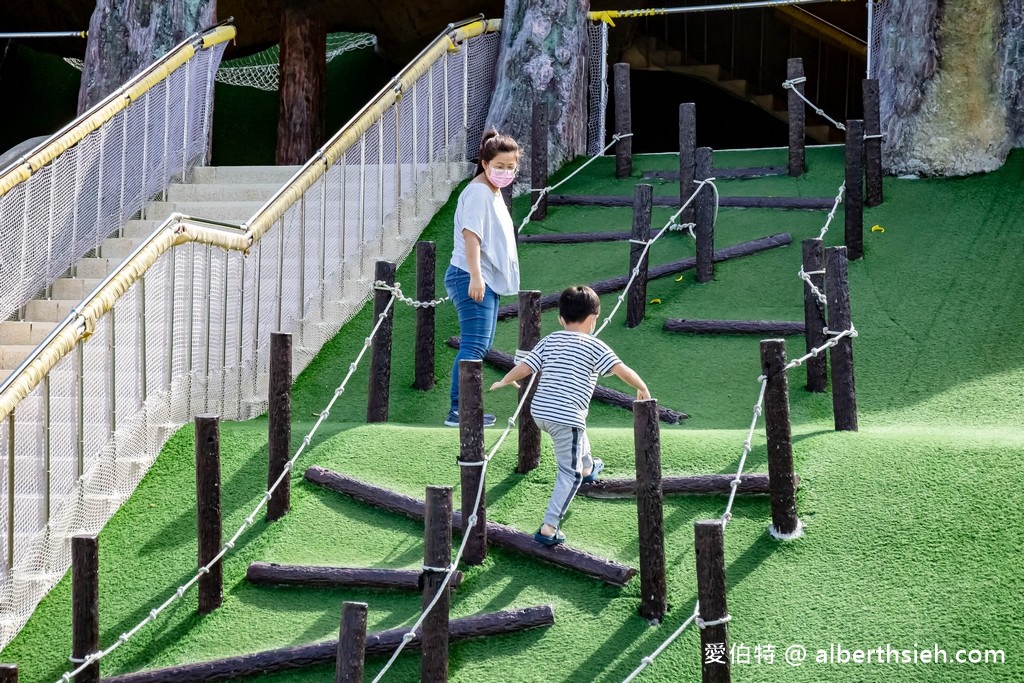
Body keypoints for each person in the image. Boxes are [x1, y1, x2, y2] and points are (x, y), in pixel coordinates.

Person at [489, 285, 651, 546]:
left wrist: (505, 380)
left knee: (578, 433)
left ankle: (588, 466)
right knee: (569, 473)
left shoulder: (550, 339)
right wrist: (641, 387)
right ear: (594, 318)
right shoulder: (595, 346)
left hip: (540, 412)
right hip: (565, 417)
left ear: (561, 319)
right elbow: (621, 370)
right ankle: (549, 527)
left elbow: (525, 366)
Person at [444, 129, 522, 428]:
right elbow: (471, 237)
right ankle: (458, 411)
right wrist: (476, 277)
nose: (505, 172)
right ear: (485, 163)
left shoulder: (492, 191)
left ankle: (465, 409)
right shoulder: (478, 192)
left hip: (483, 276)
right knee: (474, 345)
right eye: (499, 166)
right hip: (471, 275)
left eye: (510, 167)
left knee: (479, 345)